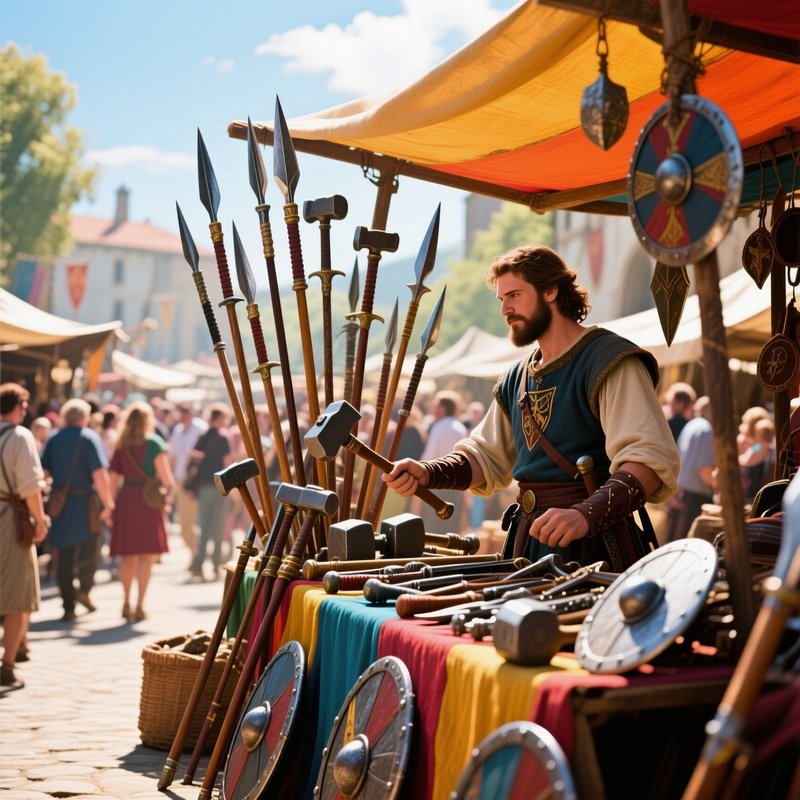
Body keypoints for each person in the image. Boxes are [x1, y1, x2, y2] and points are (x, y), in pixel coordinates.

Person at [383, 244, 679, 571]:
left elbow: (648, 459)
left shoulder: (608, 361)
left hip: (597, 547)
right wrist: (428, 472)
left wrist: (586, 514)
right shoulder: (516, 377)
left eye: (514, 296)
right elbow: (485, 457)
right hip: (528, 542)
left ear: (550, 291)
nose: (504, 310)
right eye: (501, 299)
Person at [40, 399, 114, 623]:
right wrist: (108, 503)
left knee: (64, 555)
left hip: (60, 503)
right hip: (86, 504)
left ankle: (68, 605)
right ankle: (84, 589)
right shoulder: (89, 437)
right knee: (90, 549)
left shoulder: (53, 438)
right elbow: (100, 476)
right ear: (85, 417)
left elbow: (43, 473)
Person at [0, 384, 49, 689]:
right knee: (17, 593)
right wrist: (40, 520)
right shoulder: (20, 436)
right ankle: (7, 665)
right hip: (10, 521)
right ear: (19, 407)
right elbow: (30, 486)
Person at [109, 401, 175, 622]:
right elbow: (166, 479)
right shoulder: (154, 443)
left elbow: (113, 480)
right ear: (148, 420)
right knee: (147, 557)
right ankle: (139, 606)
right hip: (148, 502)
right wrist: (167, 495)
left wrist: (112, 506)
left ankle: (126, 601)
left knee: (128, 557)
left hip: (127, 500)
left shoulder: (121, 445)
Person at [186, 403, 233, 579]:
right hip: (220, 488)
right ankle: (215, 565)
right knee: (218, 527)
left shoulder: (202, 436)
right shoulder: (223, 437)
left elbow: (193, 459)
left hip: (204, 487)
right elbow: (227, 463)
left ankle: (198, 565)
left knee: (204, 527)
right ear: (220, 418)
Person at [412, 391, 468, 534]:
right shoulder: (460, 428)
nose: (433, 409)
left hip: (438, 485)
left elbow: (428, 458)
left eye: (436, 406)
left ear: (442, 408)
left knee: (433, 530)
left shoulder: (439, 427)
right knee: (451, 531)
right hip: (457, 486)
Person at [666, 396, 716, 542]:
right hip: (694, 499)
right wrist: (719, 486)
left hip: (681, 494)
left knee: (672, 543)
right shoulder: (706, 430)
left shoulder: (691, 425)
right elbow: (704, 470)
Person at [168, 402, 208, 566]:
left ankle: (198, 554)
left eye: (187, 411)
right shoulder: (177, 431)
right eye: (182, 411)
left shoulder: (201, 429)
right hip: (181, 480)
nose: (185, 414)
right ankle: (196, 551)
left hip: (195, 481)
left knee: (189, 521)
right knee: (184, 523)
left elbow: (206, 455)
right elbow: (172, 457)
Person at [739, 417, 776, 504]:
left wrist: (737, 458)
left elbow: (747, 460)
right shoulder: (770, 445)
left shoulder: (760, 445)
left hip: (754, 487)